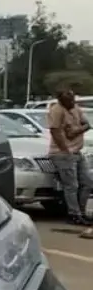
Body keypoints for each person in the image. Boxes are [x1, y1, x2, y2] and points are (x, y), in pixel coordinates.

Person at [47, 88, 91, 226]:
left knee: (87, 182)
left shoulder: (75, 108)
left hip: (77, 151)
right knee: (71, 185)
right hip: (63, 154)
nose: (72, 102)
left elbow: (87, 124)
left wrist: (74, 131)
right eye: (69, 100)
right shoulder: (57, 110)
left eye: (73, 99)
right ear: (61, 100)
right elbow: (55, 131)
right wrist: (65, 150)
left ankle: (81, 212)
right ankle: (74, 214)